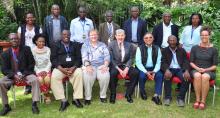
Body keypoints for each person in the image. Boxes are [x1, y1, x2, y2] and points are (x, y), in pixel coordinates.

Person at [0, 33, 40, 116]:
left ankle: (34, 104)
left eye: (16, 38)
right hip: (12, 76)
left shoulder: (26, 49)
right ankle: (6, 106)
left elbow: (31, 64)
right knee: (1, 82)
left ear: (19, 40)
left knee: (35, 80)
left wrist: (24, 74)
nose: (14, 40)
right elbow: (4, 69)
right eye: (12, 39)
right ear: (9, 41)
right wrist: (14, 75)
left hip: (26, 74)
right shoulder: (5, 54)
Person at [50, 30, 83, 111]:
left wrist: (74, 67)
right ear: (61, 35)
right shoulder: (55, 45)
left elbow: (79, 59)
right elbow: (53, 59)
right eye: (64, 34)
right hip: (60, 68)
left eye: (68, 34)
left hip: (73, 68)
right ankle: (63, 101)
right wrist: (61, 69)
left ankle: (76, 99)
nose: (66, 36)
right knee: (54, 77)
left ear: (70, 35)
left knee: (79, 73)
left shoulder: (75, 45)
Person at [190, 26, 218, 110]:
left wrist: (205, 70)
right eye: (202, 35)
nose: (204, 37)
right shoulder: (195, 48)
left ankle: (203, 101)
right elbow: (191, 62)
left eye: (206, 35)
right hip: (196, 69)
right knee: (198, 75)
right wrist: (198, 68)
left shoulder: (214, 49)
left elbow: (215, 65)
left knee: (205, 76)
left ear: (209, 36)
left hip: (209, 71)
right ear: (200, 36)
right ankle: (197, 100)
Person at [108, 29, 139, 104]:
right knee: (112, 73)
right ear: (115, 36)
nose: (120, 37)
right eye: (118, 35)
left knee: (135, 73)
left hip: (126, 65)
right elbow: (111, 59)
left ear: (124, 36)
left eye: (122, 35)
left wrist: (127, 68)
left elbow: (131, 58)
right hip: (115, 65)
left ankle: (128, 94)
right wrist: (119, 69)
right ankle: (113, 94)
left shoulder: (129, 45)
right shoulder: (111, 44)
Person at [81, 29, 110, 105]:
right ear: (89, 36)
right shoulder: (85, 45)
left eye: (95, 34)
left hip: (101, 65)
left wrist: (105, 65)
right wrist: (87, 66)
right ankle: (87, 97)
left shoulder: (103, 45)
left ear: (98, 36)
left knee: (105, 75)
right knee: (87, 76)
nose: (93, 36)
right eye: (91, 35)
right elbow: (84, 57)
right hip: (90, 65)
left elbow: (107, 56)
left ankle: (103, 96)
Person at [161, 35, 190, 107]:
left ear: (177, 41)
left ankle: (180, 98)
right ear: (168, 42)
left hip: (180, 69)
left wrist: (186, 71)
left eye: (174, 40)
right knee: (166, 77)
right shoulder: (164, 51)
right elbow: (162, 62)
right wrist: (166, 70)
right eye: (170, 40)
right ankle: (168, 98)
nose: (172, 42)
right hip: (169, 69)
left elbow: (186, 61)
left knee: (186, 79)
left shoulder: (182, 50)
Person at [17, 12, 42, 95]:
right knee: (25, 68)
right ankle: (27, 86)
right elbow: (19, 40)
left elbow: (40, 39)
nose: (29, 19)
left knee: (35, 67)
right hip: (24, 51)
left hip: (36, 50)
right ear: (25, 19)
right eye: (28, 18)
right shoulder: (21, 28)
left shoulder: (38, 28)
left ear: (34, 18)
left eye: (31, 17)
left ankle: (36, 85)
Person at [135, 33, 163, 105]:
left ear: (153, 39)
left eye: (150, 37)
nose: (148, 39)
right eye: (146, 38)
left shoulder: (157, 48)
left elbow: (158, 62)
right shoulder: (139, 48)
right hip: (143, 68)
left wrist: (154, 71)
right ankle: (142, 91)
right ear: (144, 40)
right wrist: (146, 72)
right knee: (142, 76)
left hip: (154, 68)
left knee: (159, 76)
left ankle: (156, 96)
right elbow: (138, 63)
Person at [32, 34, 52, 104]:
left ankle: (46, 94)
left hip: (47, 69)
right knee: (40, 79)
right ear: (36, 41)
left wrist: (46, 71)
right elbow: (32, 63)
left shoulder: (48, 49)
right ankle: (47, 96)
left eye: (43, 42)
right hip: (37, 70)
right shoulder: (33, 50)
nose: (41, 43)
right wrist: (38, 71)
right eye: (39, 41)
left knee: (47, 79)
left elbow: (50, 62)